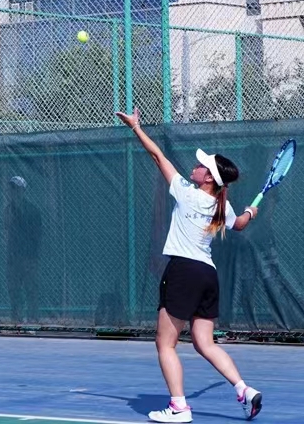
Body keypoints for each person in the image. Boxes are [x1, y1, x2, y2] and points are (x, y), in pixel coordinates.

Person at [116, 108, 263, 423]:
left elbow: (157, 157)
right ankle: (244, 390)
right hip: (207, 275)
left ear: (208, 178)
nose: (195, 167)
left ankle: (179, 407)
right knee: (204, 342)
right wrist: (251, 212)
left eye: (201, 166)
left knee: (165, 343)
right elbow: (239, 224)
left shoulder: (186, 192)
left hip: (183, 272)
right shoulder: (223, 206)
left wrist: (136, 128)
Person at [4, 175, 42, 323]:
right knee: (14, 290)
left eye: (17, 189)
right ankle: (16, 321)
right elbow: (6, 232)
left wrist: (32, 256)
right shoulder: (8, 210)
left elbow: (37, 236)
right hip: (13, 258)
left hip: (29, 258)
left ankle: (33, 320)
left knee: (31, 289)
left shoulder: (33, 211)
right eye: (12, 188)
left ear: (23, 191)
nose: (13, 192)